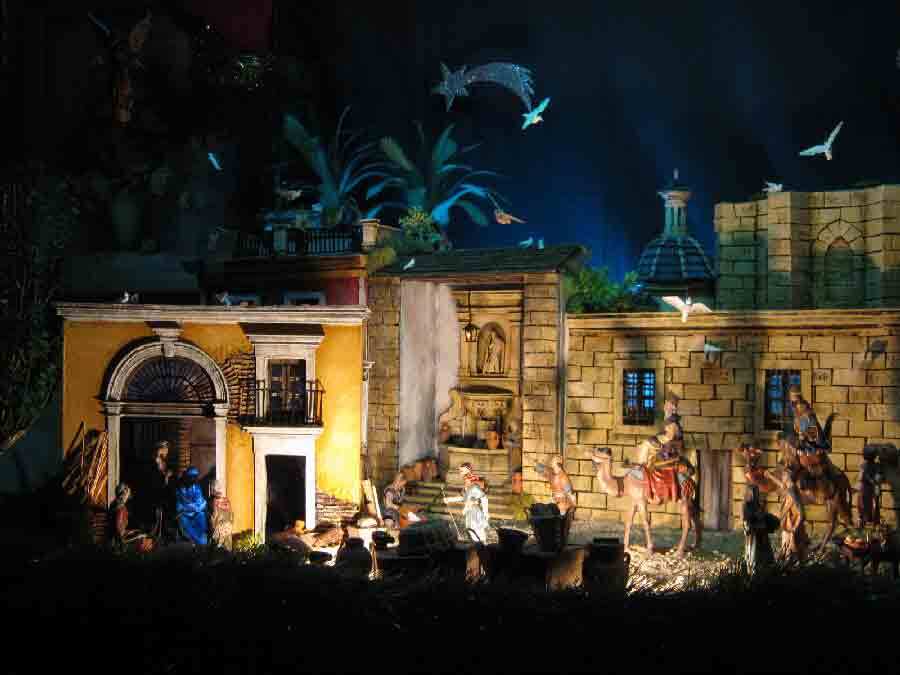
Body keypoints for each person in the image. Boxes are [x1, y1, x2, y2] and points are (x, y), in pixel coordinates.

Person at [444, 463, 489, 544]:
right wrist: (449, 499)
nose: (460, 472)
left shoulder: (474, 487)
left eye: (462, 471)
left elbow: (484, 498)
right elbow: (463, 497)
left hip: (476, 512)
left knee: (478, 531)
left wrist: (485, 512)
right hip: (470, 512)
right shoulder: (467, 487)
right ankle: (476, 546)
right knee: (471, 531)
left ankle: (482, 546)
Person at [109, 483, 152, 552]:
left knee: (140, 533)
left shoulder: (114, 504)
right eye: (128, 493)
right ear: (123, 495)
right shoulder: (121, 509)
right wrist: (137, 537)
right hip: (116, 546)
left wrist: (131, 532)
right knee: (144, 542)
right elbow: (120, 536)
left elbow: (118, 530)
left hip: (114, 540)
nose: (129, 495)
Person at [175, 467, 209, 545]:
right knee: (184, 521)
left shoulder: (197, 488)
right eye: (191, 477)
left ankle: (201, 539)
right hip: (184, 514)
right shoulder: (180, 489)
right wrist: (188, 507)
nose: (193, 479)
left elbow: (201, 503)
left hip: (195, 512)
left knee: (201, 515)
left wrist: (193, 507)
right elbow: (179, 505)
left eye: (195, 477)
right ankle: (198, 541)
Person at [856, 445, 883, 529]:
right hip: (868, 488)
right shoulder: (874, 466)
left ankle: (868, 521)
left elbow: (861, 478)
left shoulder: (866, 466)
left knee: (867, 506)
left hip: (869, 488)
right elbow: (877, 477)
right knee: (868, 505)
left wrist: (870, 480)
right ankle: (869, 521)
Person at [209, 481, 234, 550]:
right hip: (219, 529)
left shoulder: (223, 501)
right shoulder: (214, 501)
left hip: (224, 529)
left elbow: (230, 515)